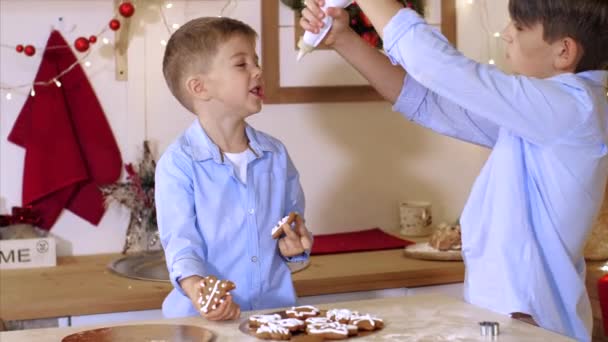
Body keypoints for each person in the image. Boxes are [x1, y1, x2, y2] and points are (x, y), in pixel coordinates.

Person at [301, 0, 607, 340]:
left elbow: (442, 68)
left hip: (532, 325)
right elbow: (429, 102)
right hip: (513, 319)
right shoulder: (546, 113)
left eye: (519, 28)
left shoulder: (569, 107)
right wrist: (344, 39)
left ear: (564, 51)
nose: (506, 35)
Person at [155, 16, 313, 321]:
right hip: (201, 325)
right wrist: (198, 290)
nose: (258, 71)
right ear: (199, 87)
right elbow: (181, 246)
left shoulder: (275, 155)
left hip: (273, 317)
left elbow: (293, 225)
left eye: (256, 61)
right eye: (242, 64)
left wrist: (296, 245)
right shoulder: (178, 165)